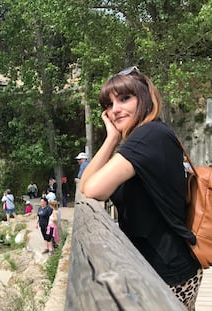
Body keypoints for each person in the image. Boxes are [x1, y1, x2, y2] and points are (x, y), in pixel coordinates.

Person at [79, 66, 202, 310]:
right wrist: (112, 137)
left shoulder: (147, 137)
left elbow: (93, 189)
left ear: (144, 98)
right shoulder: (149, 134)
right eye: (109, 104)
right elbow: (86, 185)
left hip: (167, 273)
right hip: (162, 267)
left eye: (125, 98)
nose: (115, 110)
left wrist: (114, 138)